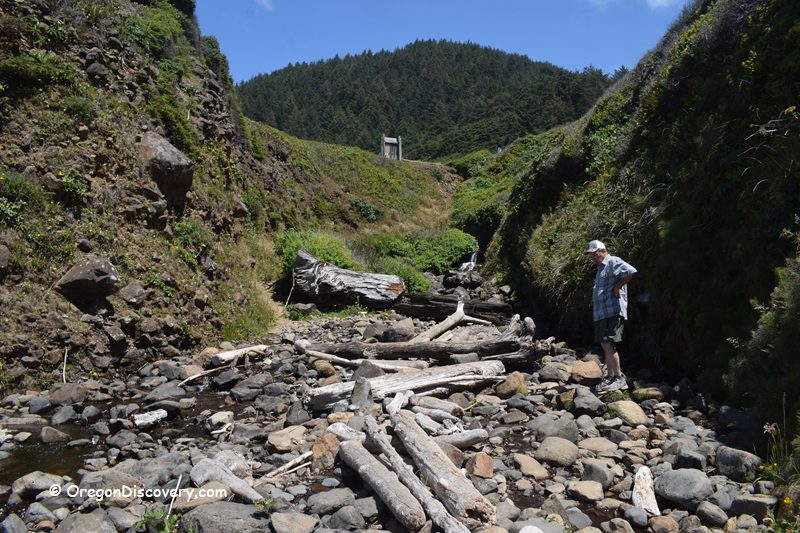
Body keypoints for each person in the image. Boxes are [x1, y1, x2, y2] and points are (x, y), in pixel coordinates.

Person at [585, 240, 637, 393]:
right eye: (591, 255)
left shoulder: (613, 261)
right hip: (602, 312)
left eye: (595, 254)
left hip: (612, 310)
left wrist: (618, 286)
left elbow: (631, 271)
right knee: (604, 343)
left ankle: (618, 378)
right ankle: (609, 376)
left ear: (602, 250)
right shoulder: (600, 268)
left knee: (609, 344)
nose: (593, 257)